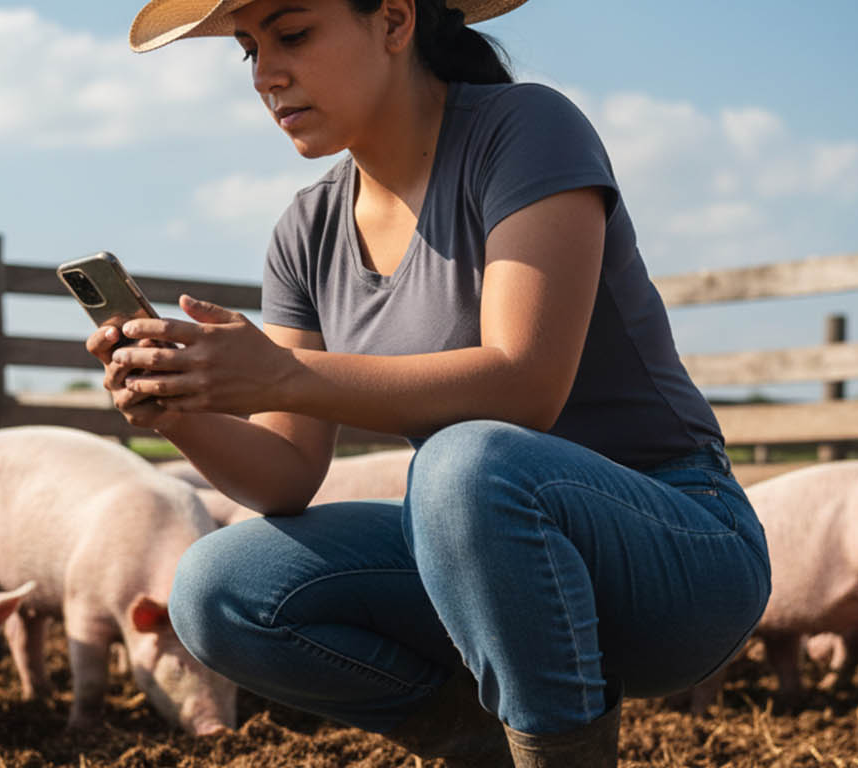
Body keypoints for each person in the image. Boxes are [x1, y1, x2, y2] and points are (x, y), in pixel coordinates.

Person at [87, 0, 771, 765]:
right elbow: (284, 474)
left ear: (394, 20)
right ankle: (483, 743)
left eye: (294, 33)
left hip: (678, 548)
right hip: (476, 554)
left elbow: (523, 385)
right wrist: (182, 405)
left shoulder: (525, 129)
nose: (267, 75)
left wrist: (281, 372)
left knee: (464, 462)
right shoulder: (306, 230)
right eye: (249, 50)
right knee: (218, 587)